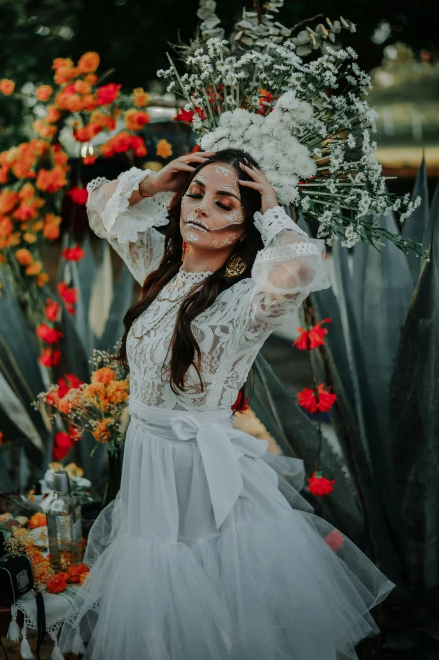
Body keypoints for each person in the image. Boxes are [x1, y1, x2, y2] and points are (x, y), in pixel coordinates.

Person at [59, 147, 395, 660]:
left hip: (201, 472)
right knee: (159, 607)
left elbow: (300, 270)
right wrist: (152, 183)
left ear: (243, 228)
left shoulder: (245, 302)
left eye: (223, 204)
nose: (201, 209)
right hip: (148, 466)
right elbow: (102, 205)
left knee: (220, 605)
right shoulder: (158, 266)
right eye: (195, 195)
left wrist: (272, 211)